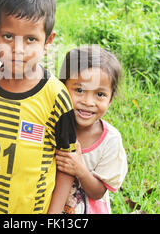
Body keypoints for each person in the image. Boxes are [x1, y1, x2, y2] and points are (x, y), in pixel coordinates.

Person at [0, 0, 77, 214]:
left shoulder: (56, 97)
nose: (18, 48)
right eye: (8, 36)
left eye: (31, 39)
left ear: (48, 40)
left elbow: (66, 164)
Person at [55, 45, 128, 214]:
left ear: (110, 99)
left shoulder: (110, 141)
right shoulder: (52, 125)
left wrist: (80, 170)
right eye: (80, 90)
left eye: (100, 94)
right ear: (62, 87)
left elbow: (98, 192)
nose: (88, 102)